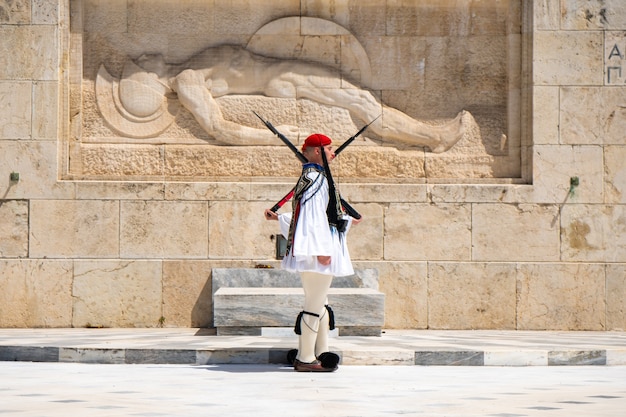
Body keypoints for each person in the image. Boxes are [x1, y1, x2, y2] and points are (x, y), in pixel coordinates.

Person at [112, 45, 469, 152]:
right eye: (140, 64)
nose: (144, 55)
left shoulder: (188, 64)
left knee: (360, 100)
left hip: (283, 68)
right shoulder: (188, 81)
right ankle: (435, 138)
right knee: (362, 102)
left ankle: (429, 136)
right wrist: (277, 135)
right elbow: (220, 129)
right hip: (283, 77)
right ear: (149, 79)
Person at [264, 133, 359, 372]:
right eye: (329, 149)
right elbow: (312, 218)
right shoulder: (316, 179)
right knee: (314, 305)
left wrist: (345, 218)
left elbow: (309, 217)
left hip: (318, 248)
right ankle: (306, 358)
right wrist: (322, 250)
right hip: (320, 251)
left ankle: (320, 350)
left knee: (320, 302)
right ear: (317, 152)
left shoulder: (311, 177)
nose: (333, 153)